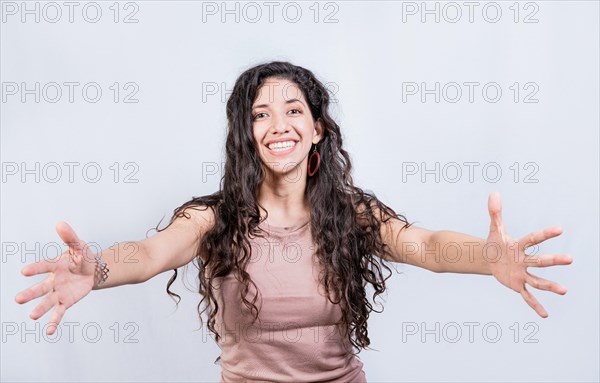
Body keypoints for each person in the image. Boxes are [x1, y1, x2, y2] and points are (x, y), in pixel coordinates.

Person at [15, 61, 573, 382]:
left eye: (292, 110)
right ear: (247, 135)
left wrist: (487, 257)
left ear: (316, 130)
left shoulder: (348, 213)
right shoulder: (214, 218)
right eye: (261, 113)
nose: (277, 124)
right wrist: (101, 268)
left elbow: (424, 244)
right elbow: (154, 251)